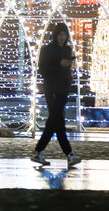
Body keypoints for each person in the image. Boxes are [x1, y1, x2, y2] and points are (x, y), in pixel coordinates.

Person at [31, 23, 81, 168]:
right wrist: (60, 64)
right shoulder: (48, 50)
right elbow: (43, 70)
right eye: (60, 34)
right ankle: (69, 154)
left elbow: (66, 71)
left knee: (54, 123)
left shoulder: (67, 49)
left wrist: (68, 76)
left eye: (64, 34)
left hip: (63, 90)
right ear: (55, 35)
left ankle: (38, 152)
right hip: (52, 89)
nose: (62, 37)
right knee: (58, 122)